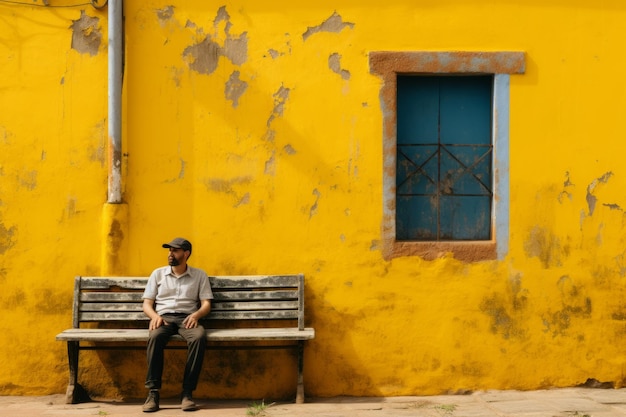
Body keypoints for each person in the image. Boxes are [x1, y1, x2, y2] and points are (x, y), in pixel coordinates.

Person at [141, 237, 213, 412]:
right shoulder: (158, 274)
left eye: (175, 250)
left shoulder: (199, 275)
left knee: (198, 337)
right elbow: (147, 304)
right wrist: (154, 316)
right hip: (163, 318)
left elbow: (206, 304)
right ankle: (153, 392)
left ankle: (187, 393)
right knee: (155, 336)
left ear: (186, 254)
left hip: (187, 319)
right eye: (169, 250)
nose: (170, 254)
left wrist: (197, 315)